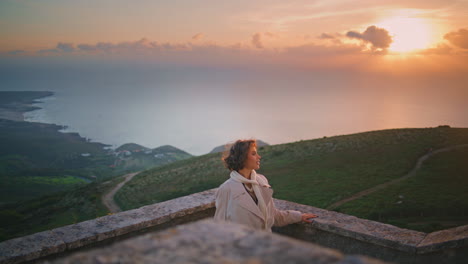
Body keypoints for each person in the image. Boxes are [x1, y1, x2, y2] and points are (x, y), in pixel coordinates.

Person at [214, 139, 318, 232]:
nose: (259, 157)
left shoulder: (261, 180)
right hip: (242, 250)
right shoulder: (226, 189)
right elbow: (220, 228)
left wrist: (299, 216)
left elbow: (274, 216)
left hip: (265, 246)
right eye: (254, 154)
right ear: (242, 157)